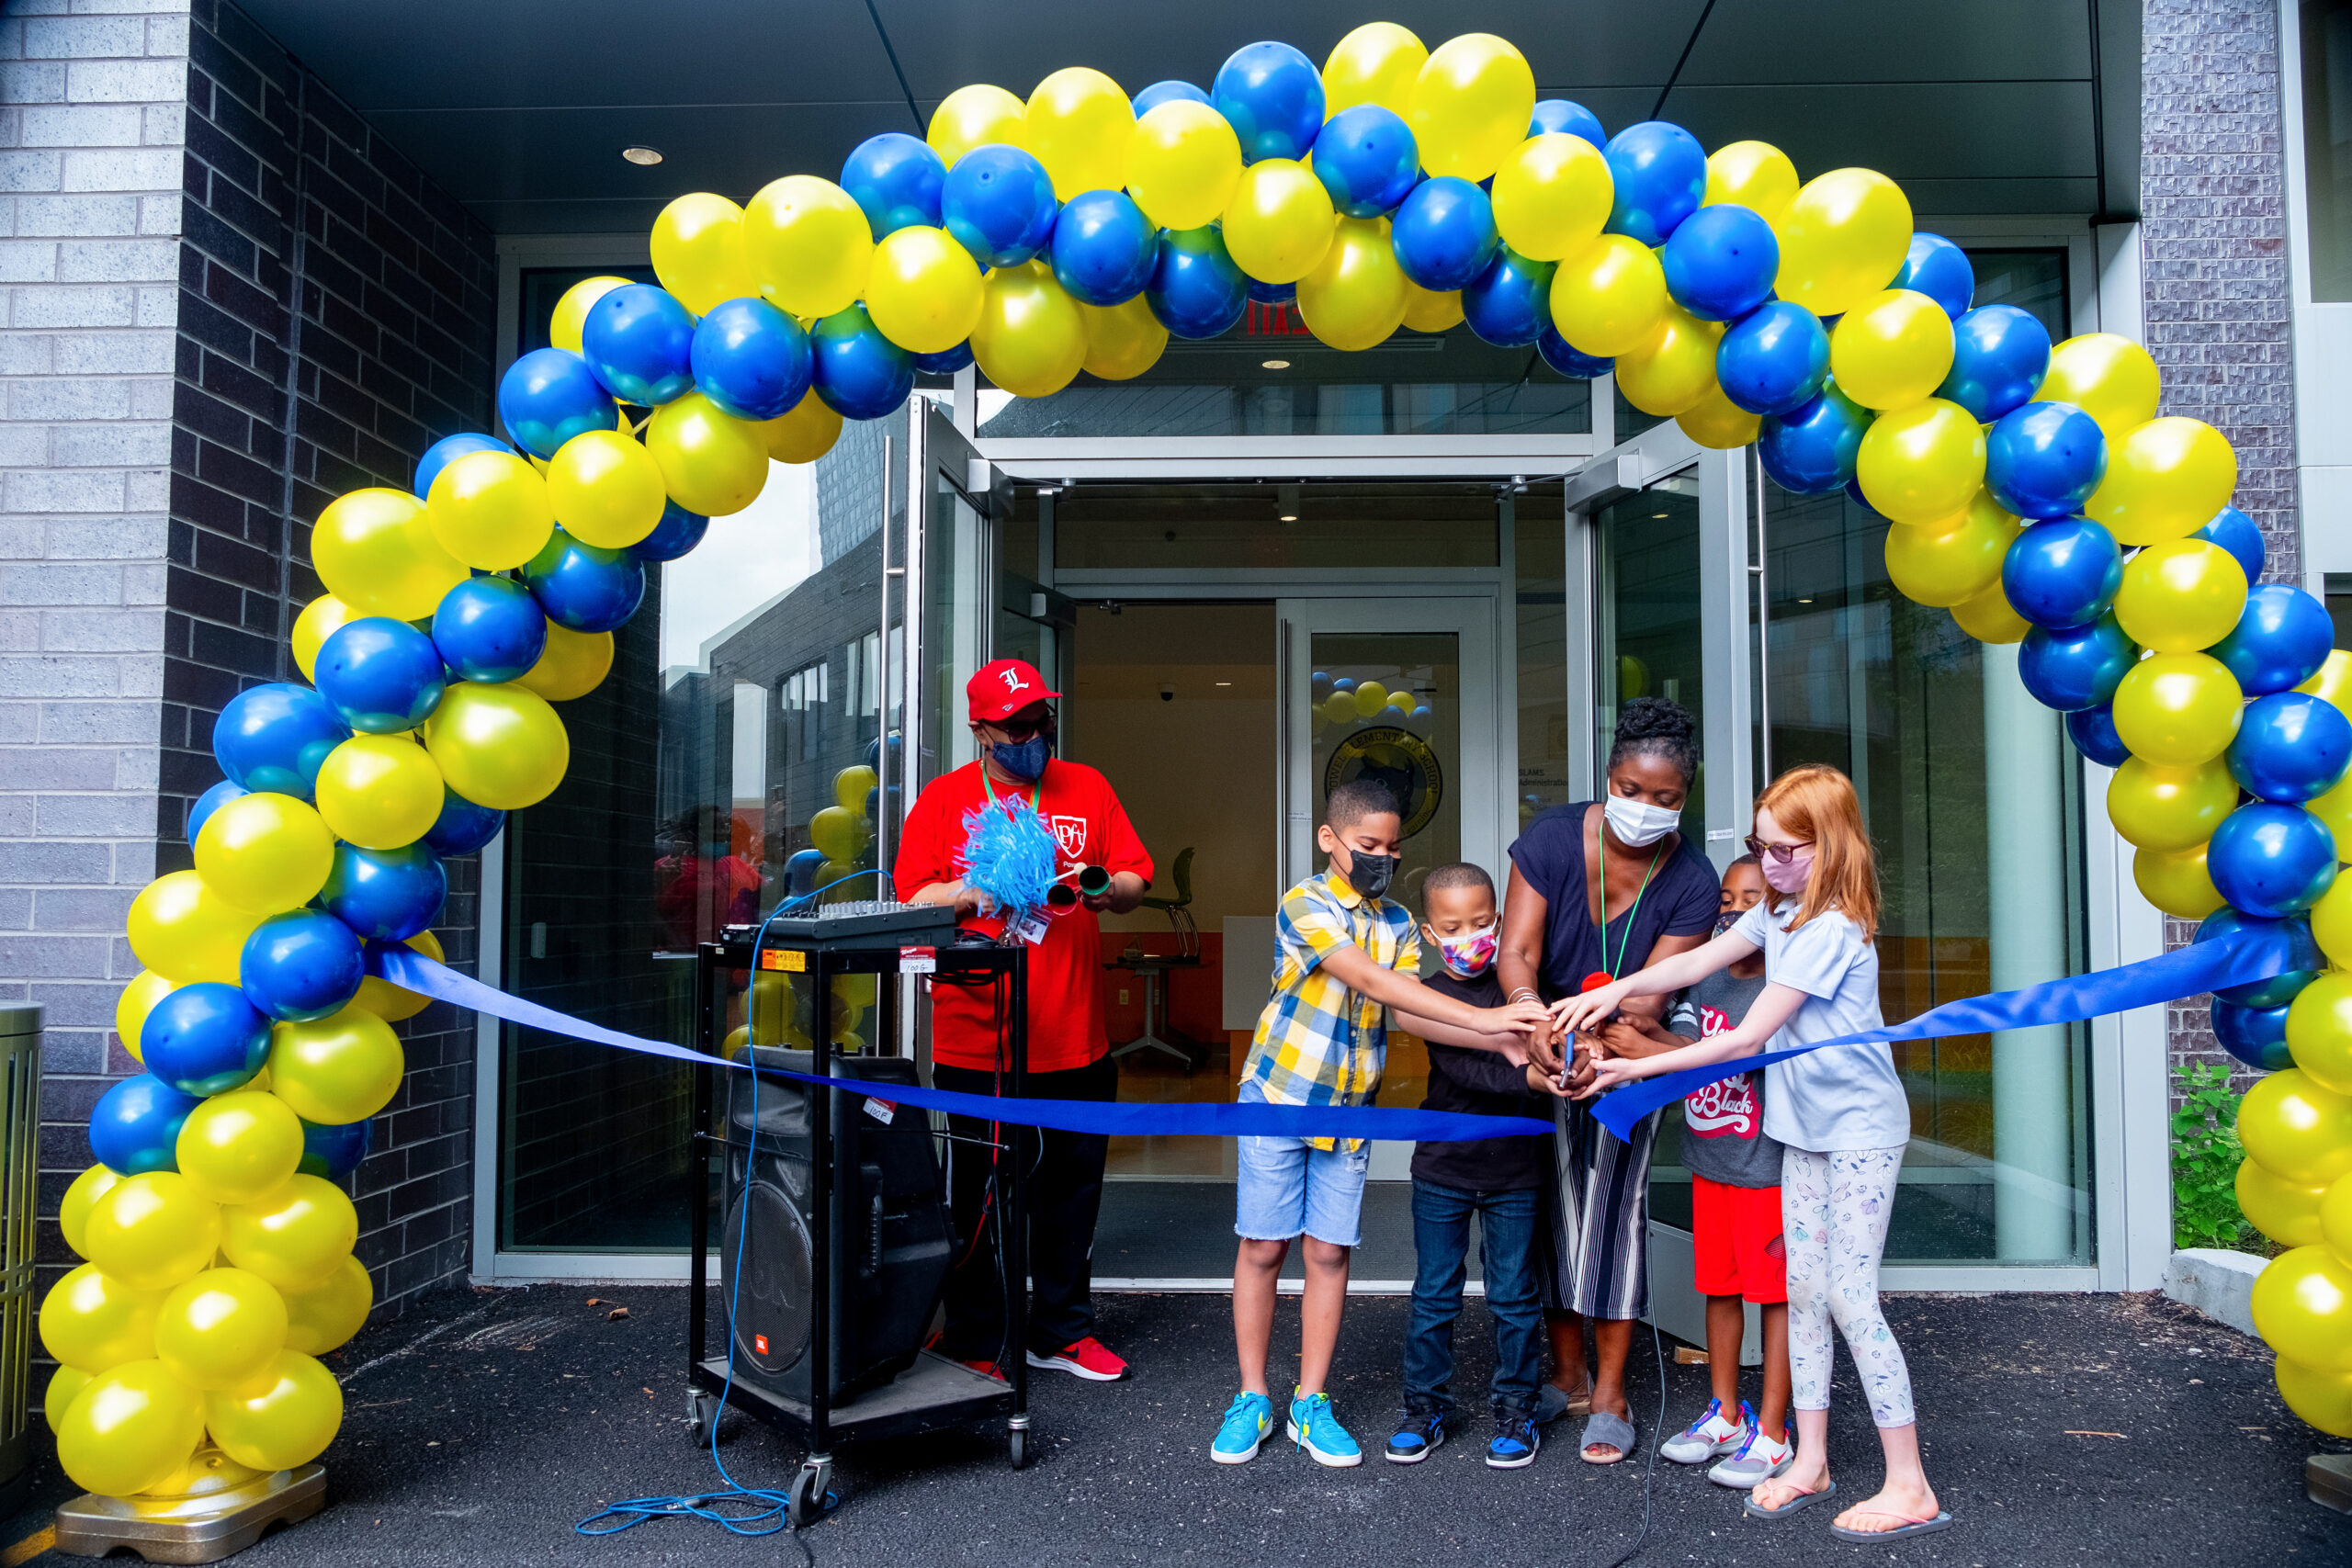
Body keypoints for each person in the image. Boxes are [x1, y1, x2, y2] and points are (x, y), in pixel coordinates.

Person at [1561, 764, 1952, 1544]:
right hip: (1804, 1130)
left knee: (1850, 1297)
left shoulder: (1831, 926)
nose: (1768, 864)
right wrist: (1613, 993)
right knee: (1802, 1290)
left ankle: (1910, 1483)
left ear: (1830, 845)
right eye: (1757, 846)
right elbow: (1691, 964)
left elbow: (1743, 1038)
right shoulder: (1781, 911)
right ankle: (1809, 1459)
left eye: (1785, 850)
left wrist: (1631, 1066)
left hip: (1860, 1133)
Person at [1211, 783, 1552, 1469]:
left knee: (1330, 1253)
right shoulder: (1303, 902)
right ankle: (1251, 1395)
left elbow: (1409, 1009)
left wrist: (1503, 1032)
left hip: (1350, 1106)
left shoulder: (1399, 920)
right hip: (1278, 1094)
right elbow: (1366, 979)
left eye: (1393, 847)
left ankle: (1311, 1400)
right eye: (1368, 846)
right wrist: (1488, 1021)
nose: (1383, 857)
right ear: (1329, 840)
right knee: (1263, 1248)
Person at [895, 657, 1154, 1384]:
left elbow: (1135, 874)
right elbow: (911, 895)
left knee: (1072, 1191)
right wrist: (971, 892)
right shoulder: (944, 800)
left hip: (1076, 1037)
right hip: (977, 1039)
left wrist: (1111, 891)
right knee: (976, 1194)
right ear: (980, 730)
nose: (1035, 734)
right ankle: (977, 1333)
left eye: (1043, 719)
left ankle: (1061, 1332)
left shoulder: (1087, 786)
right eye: (1017, 725)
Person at [1497, 696, 1721, 1465]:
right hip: (1546, 1043)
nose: (1647, 807)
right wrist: (1535, 1023)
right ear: (1608, 777)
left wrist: (1599, 1049)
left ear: (1684, 798)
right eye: (1632, 788)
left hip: (1631, 1053)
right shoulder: (1554, 838)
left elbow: (1654, 993)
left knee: (1616, 1216)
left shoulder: (1692, 874)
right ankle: (1566, 1374)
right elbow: (1517, 952)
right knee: (1556, 1213)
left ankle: (1615, 1389)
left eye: (1667, 798)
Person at [1384, 863, 1572, 1471]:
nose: (1473, 934)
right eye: (1455, 926)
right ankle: (1425, 1408)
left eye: (1484, 921)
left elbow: (1546, 1055)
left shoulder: (1523, 986)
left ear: (1501, 918)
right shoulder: (1430, 996)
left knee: (1515, 1295)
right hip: (1443, 1166)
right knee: (1434, 1294)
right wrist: (1532, 1075)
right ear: (1432, 934)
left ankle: (1516, 1409)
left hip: (1516, 1170)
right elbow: (1473, 1071)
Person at [1642, 855, 1794, 1487]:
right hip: (1709, 1163)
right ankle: (1726, 1412)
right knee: (1720, 1287)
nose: (1733, 907)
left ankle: (1776, 1428)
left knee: (1779, 1298)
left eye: (1750, 896)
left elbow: (1757, 1050)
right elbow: (1679, 1036)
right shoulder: (1704, 978)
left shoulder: (1784, 981)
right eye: (1726, 897)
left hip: (1767, 1170)